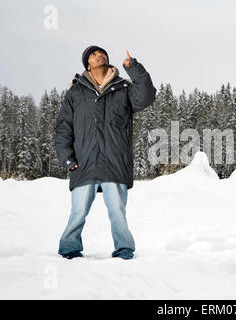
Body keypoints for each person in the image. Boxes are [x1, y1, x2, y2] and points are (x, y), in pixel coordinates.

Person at [54, 45, 157, 259]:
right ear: (87, 64)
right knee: (78, 211)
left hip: (115, 161)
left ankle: (124, 248)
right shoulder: (76, 92)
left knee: (118, 211)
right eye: (93, 54)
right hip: (84, 163)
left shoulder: (123, 88)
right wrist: (67, 159)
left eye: (101, 53)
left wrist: (133, 67)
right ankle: (69, 248)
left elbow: (146, 97)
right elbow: (64, 128)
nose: (98, 55)